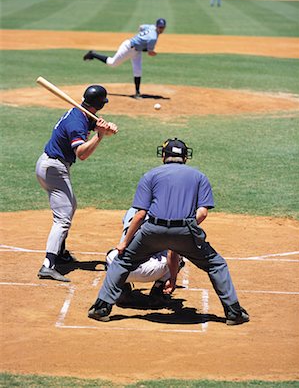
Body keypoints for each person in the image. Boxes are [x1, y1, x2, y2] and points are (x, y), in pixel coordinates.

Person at [88, 138, 249, 326]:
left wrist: (125, 243)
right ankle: (234, 312)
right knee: (216, 264)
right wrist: (186, 227)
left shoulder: (150, 175)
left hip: (152, 231)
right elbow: (202, 213)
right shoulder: (199, 176)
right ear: (185, 157)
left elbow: (140, 214)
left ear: (163, 156)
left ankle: (101, 308)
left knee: (123, 262)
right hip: (185, 231)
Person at [36, 85, 118, 282]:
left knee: (70, 206)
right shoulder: (76, 121)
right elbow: (81, 154)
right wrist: (100, 136)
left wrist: (103, 128)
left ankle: (61, 252)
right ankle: (48, 265)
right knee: (62, 218)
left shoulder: (79, 113)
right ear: (100, 104)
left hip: (50, 166)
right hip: (54, 169)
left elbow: (89, 125)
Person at [106, 207, 184, 306]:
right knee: (177, 254)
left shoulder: (131, 211)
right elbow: (171, 254)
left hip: (122, 268)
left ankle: (122, 291)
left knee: (111, 255)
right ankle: (158, 293)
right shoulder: (166, 215)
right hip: (151, 270)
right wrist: (173, 279)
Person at [83, 18, 167, 99]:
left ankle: (137, 93)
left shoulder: (151, 27)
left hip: (137, 51)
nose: (161, 29)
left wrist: (140, 39)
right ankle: (92, 54)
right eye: (160, 27)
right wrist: (154, 53)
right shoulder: (153, 38)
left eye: (162, 27)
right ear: (157, 26)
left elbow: (141, 27)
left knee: (138, 70)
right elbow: (150, 53)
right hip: (128, 48)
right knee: (112, 63)